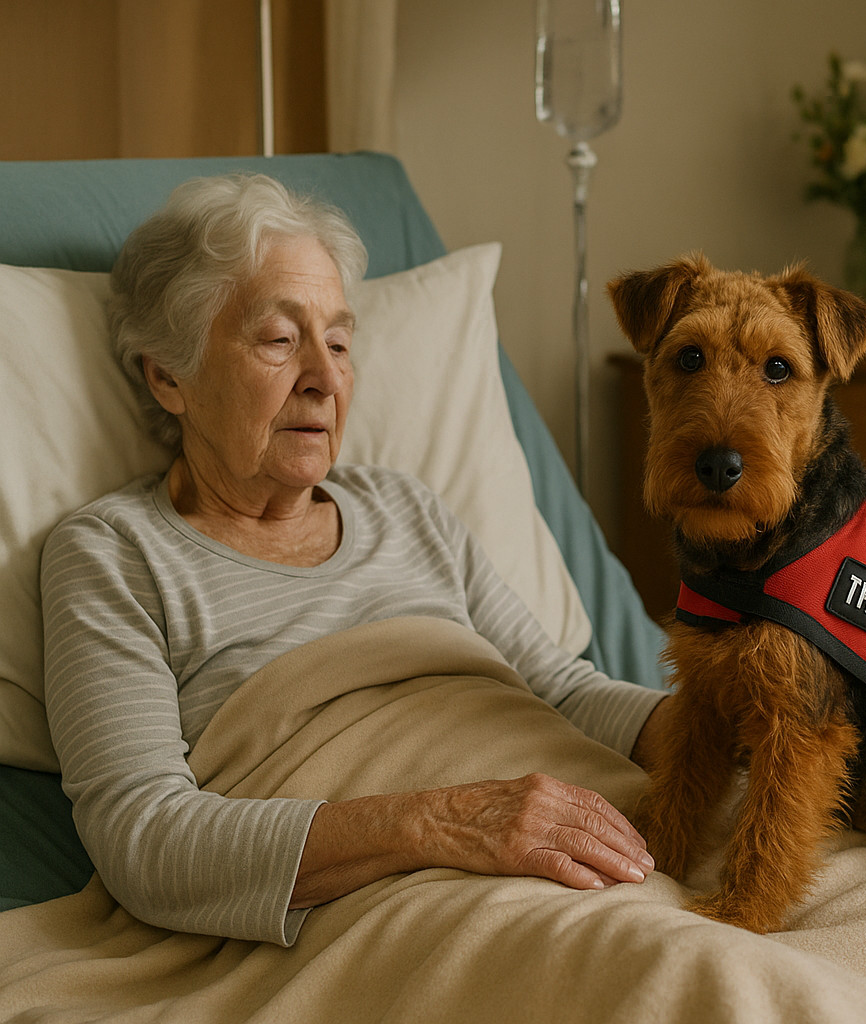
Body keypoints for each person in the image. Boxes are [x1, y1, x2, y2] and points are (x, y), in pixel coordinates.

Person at [39, 173, 675, 946]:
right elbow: (148, 843)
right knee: (695, 971)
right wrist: (449, 822)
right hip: (409, 895)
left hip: (600, 826)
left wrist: (729, 726)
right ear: (168, 375)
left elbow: (566, 693)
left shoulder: (408, 509)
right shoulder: (115, 555)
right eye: (280, 340)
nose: (325, 377)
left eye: (339, 343)